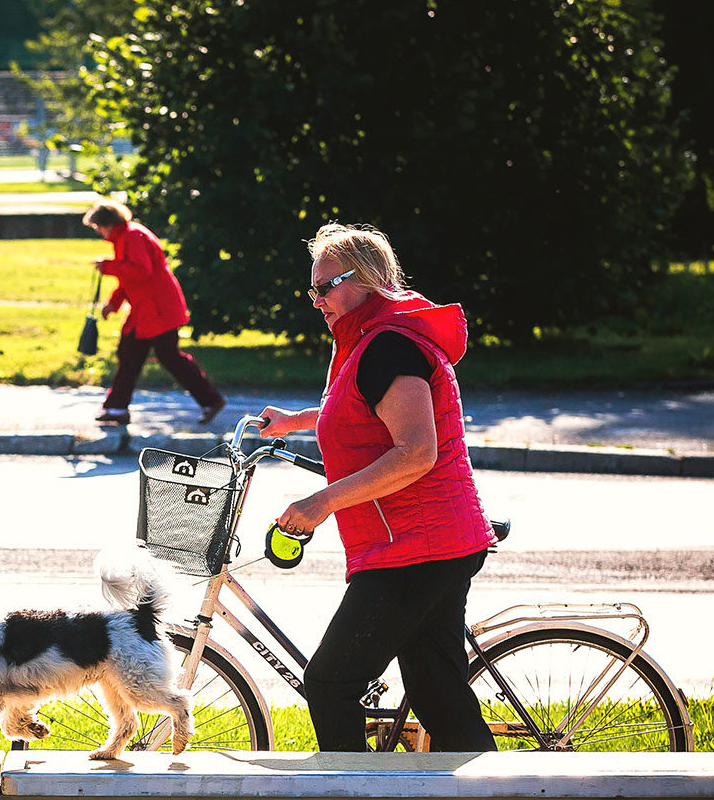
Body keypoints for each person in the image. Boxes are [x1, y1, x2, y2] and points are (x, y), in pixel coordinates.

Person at [257, 222, 498, 752]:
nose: (316, 300)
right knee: (439, 697)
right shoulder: (369, 341)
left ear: (365, 280)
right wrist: (296, 421)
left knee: (330, 687)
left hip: (416, 547)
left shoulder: (389, 345)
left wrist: (321, 501)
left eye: (326, 286)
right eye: (312, 289)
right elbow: (361, 411)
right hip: (422, 544)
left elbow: (416, 452)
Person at [84, 200, 225, 426]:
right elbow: (129, 278)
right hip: (147, 310)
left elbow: (142, 271)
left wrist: (109, 267)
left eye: (98, 227)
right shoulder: (125, 237)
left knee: (168, 357)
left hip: (159, 310)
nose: (98, 232)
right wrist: (114, 304)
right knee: (130, 354)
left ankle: (211, 400)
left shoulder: (131, 236)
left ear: (108, 223)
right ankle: (117, 408)